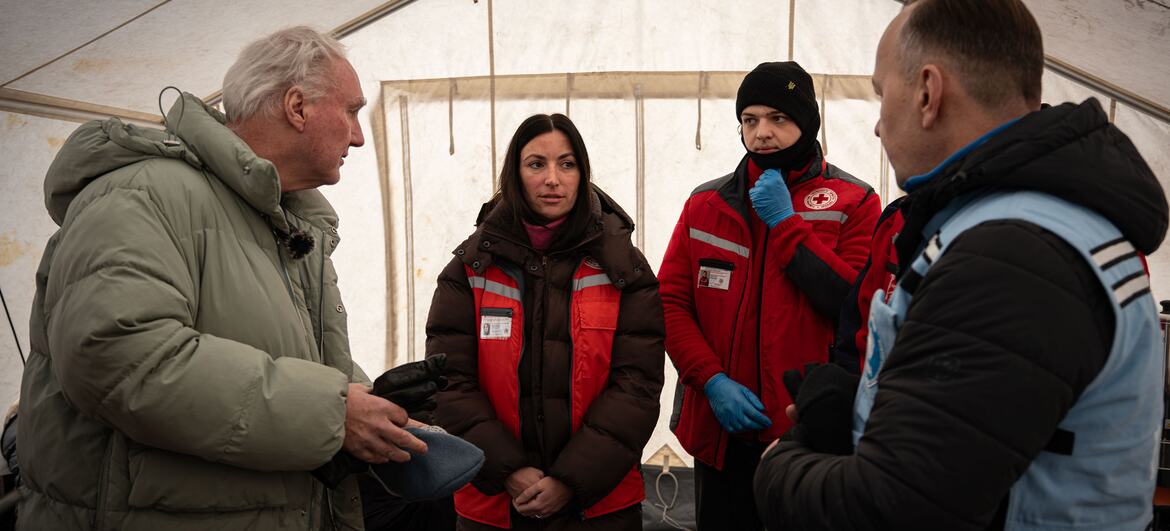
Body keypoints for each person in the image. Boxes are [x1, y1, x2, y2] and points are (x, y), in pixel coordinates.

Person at [754, 0, 1169, 529]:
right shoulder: (1015, 220)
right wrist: (858, 413)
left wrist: (779, 470)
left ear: (929, 93)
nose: (879, 128)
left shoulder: (1013, 255)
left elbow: (894, 509)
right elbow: (974, 436)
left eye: (884, 96)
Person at [16, 27, 428, 530]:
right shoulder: (141, 194)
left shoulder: (283, 223)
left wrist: (372, 407)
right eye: (351, 111)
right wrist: (331, 415)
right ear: (297, 107)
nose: (359, 136)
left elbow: (281, 361)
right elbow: (115, 354)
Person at [658, 61, 881, 530]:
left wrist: (785, 225)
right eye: (750, 119)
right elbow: (671, 303)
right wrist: (712, 381)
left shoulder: (853, 201)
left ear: (807, 122)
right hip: (722, 433)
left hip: (807, 437)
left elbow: (854, 307)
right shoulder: (706, 204)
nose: (762, 133)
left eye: (778, 118)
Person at [426, 113, 665, 530]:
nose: (553, 178)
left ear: (582, 173)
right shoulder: (469, 268)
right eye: (536, 164)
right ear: (514, 174)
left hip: (599, 504)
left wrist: (571, 480)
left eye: (567, 164)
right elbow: (450, 384)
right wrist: (509, 472)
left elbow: (638, 385)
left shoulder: (624, 268)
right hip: (496, 504)